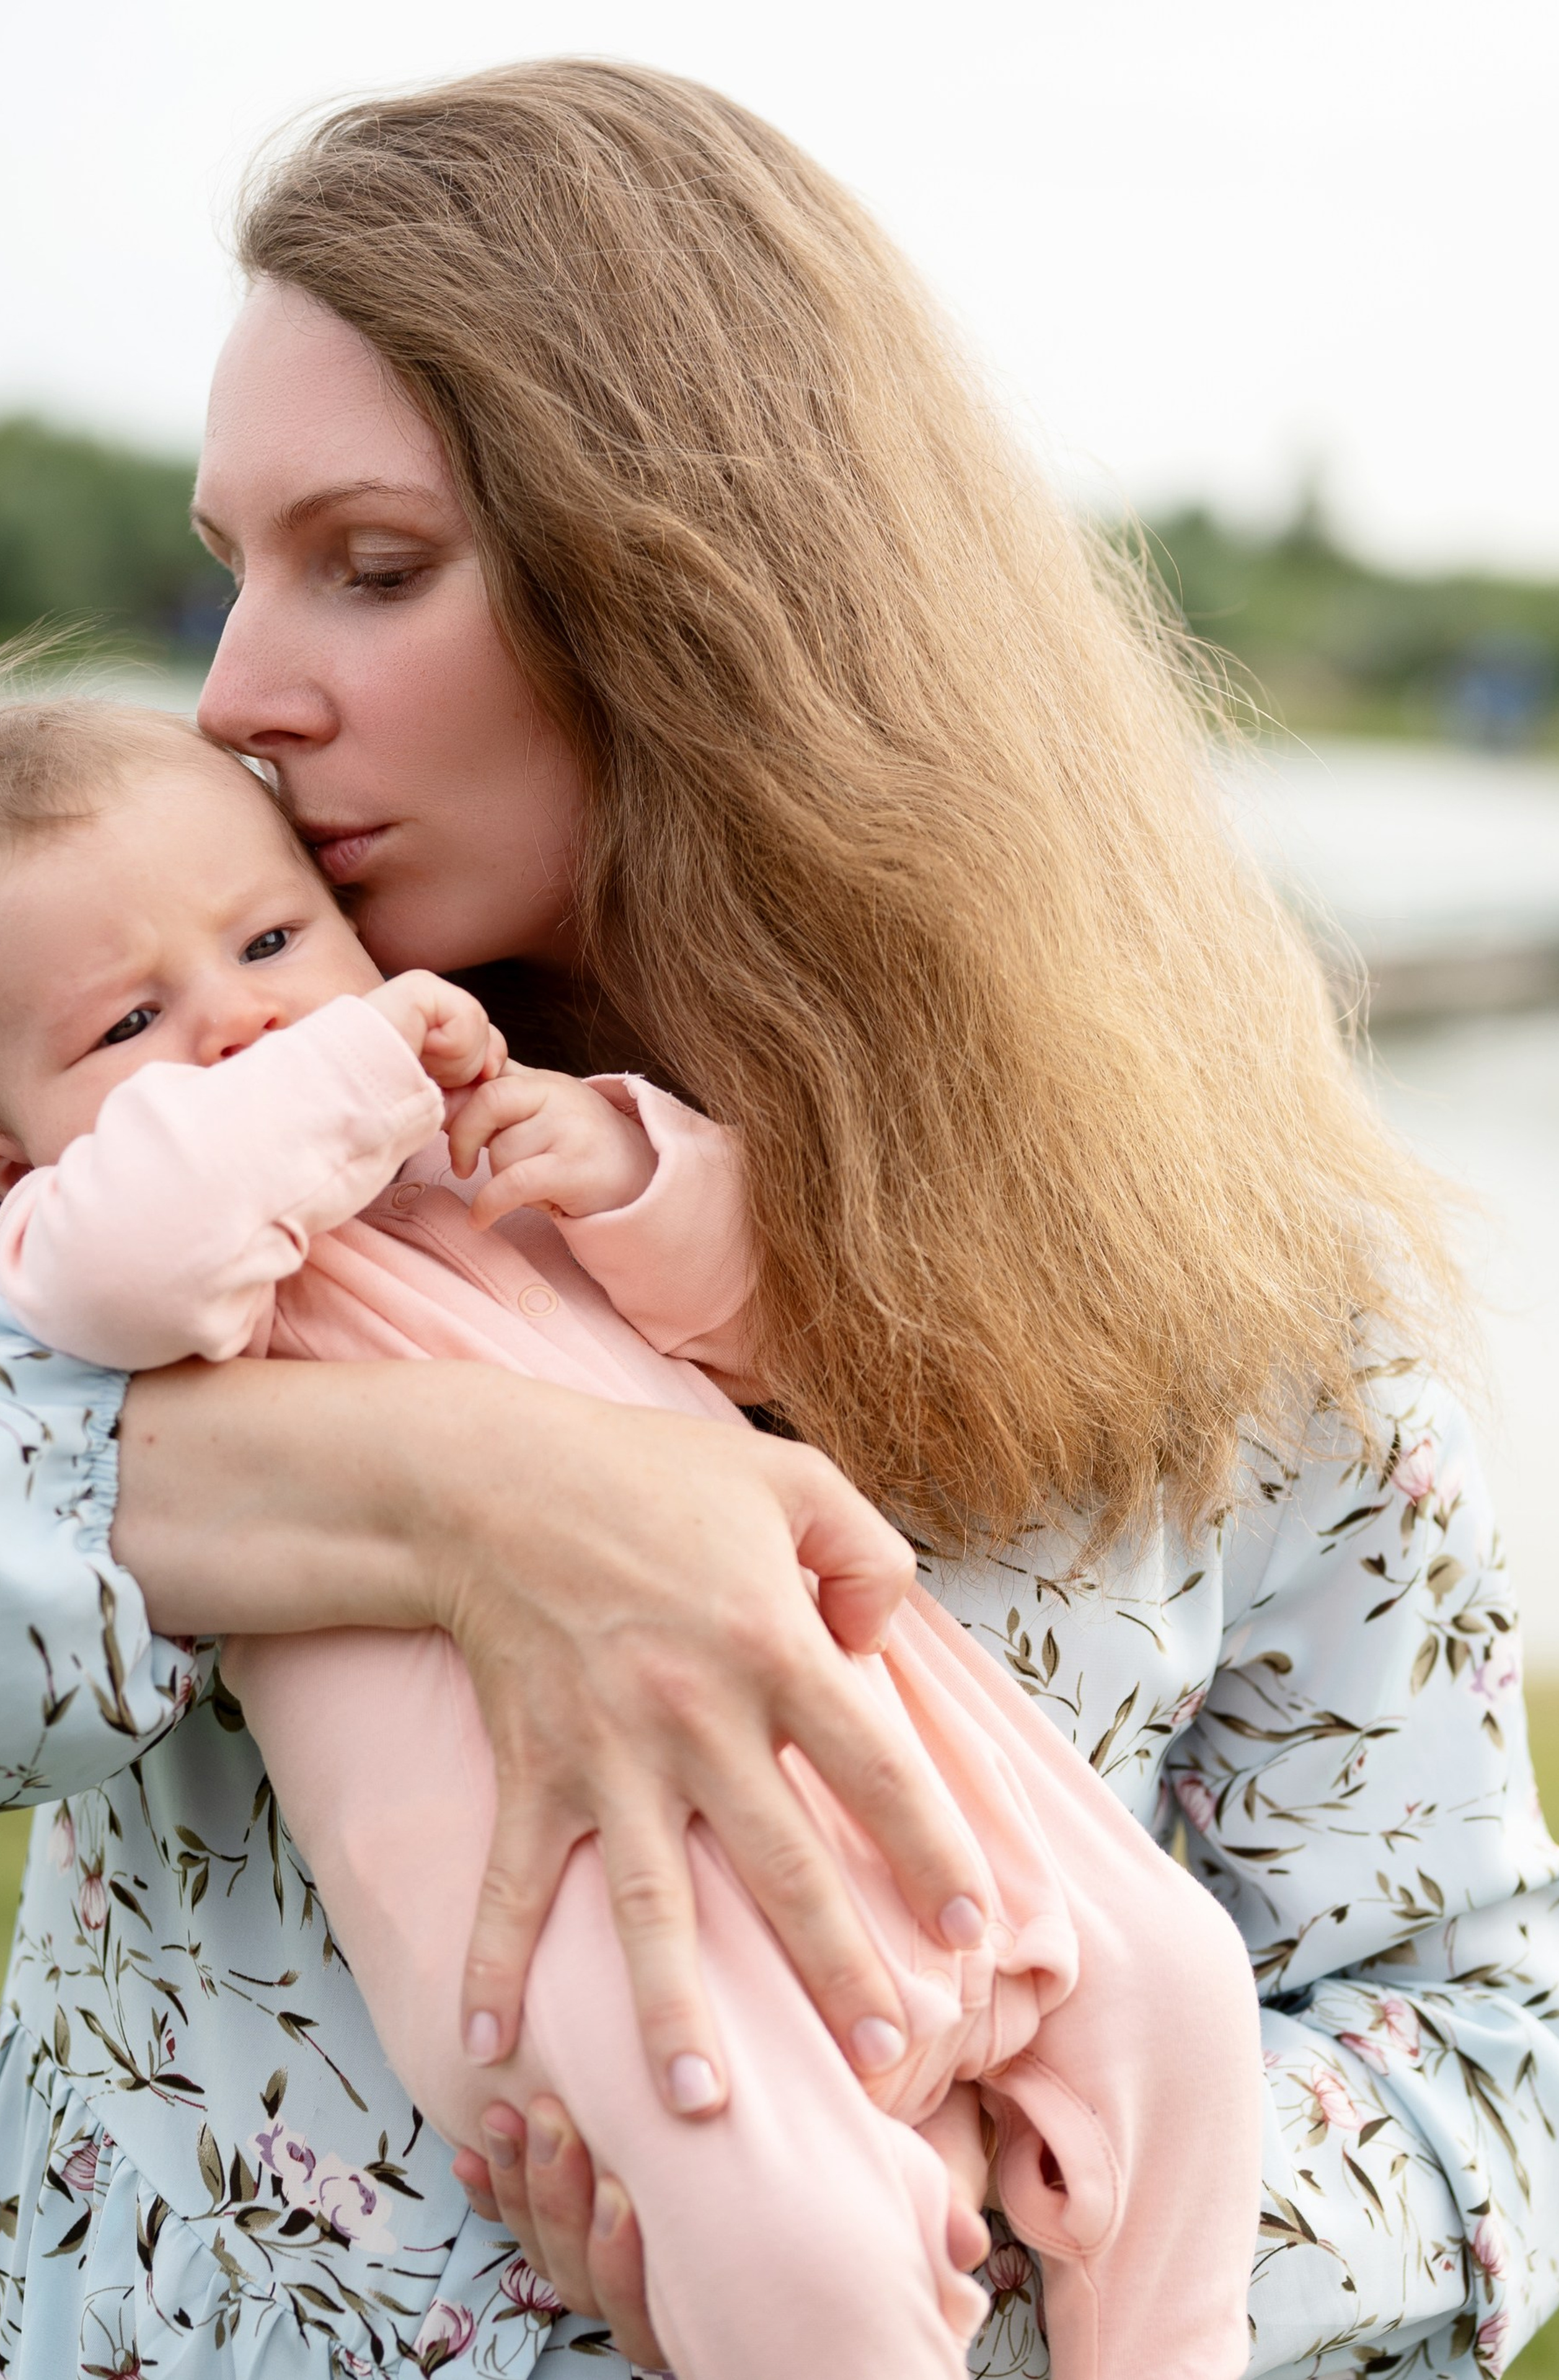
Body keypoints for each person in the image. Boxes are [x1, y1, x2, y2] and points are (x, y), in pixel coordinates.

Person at [1, 55, 1559, 2380]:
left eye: (374, 566)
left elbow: (1500, 2051)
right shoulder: (142, 1126)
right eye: (235, 572)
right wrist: (467, 1492)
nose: (237, 696)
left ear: (695, 595)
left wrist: (978, 2249)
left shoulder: (1240, 1274)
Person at [0, 700, 1263, 2380]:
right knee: (797, 2255)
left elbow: (776, 1311)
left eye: (273, 937)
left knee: (1178, 1988)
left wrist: (630, 1165)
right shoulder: (95, 1265)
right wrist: (357, 1050)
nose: (235, 1024)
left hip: (911, 1773)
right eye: (129, 1022)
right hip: (598, 1924)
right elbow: (141, 1248)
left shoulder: (462, 1158)